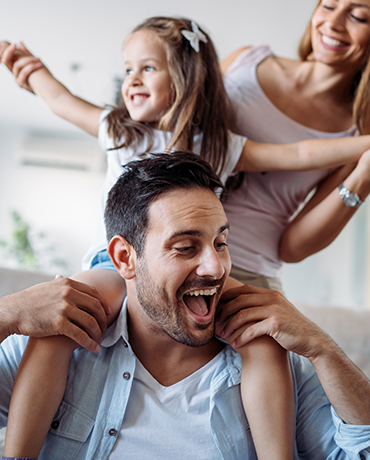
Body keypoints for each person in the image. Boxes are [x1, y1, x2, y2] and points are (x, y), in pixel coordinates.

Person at [2, 16, 370, 459]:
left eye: (148, 69)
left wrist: (362, 146)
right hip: (104, 264)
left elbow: (300, 154)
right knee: (63, 323)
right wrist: (31, 71)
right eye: (128, 70)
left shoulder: (219, 144)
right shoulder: (119, 129)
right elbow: (61, 100)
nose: (132, 80)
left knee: (260, 341)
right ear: (128, 255)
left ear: (182, 80)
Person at [0, 152, 369, 460]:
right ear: (124, 258)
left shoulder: (275, 363)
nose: (216, 268)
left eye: (221, 243)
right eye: (185, 248)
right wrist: (6, 314)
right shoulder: (61, 338)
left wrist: (323, 349)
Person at [220, 0, 370, 291]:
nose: (334, 23)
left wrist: (364, 177)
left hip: (246, 271)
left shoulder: (356, 137)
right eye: (328, 6)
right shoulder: (245, 61)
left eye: (358, 16)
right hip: (169, 246)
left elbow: (292, 248)